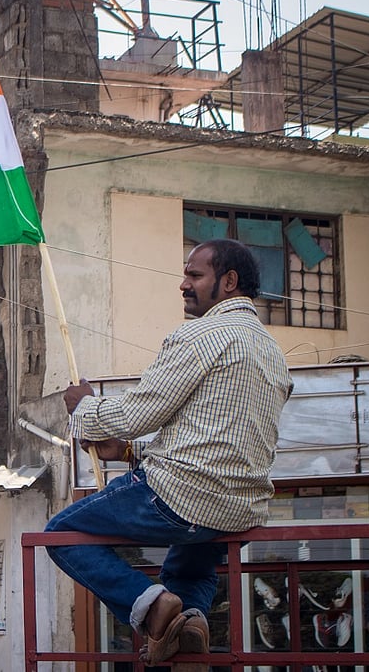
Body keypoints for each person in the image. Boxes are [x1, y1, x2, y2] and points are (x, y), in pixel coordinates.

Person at [45, 239, 293, 670]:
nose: (182, 284)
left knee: (61, 536)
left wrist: (85, 406)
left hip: (179, 496)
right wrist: (125, 450)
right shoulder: (273, 353)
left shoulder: (201, 336)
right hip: (238, 510)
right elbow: (207, 432)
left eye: (194, 275)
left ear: (229, 282)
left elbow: (138, 413)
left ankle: (153, 606)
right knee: (190, 569)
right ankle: (190, 623)